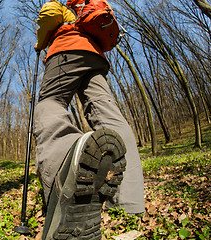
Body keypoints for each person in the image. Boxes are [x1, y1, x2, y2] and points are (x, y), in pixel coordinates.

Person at [33, 0, 145, 239]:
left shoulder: (67, 7)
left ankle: (64, 179)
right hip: (95, 56)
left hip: (66, 51)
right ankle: (131, 202)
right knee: (108, 114)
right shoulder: (89, 9)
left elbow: (49, 13)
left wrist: (40, 42)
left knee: (50, 103)